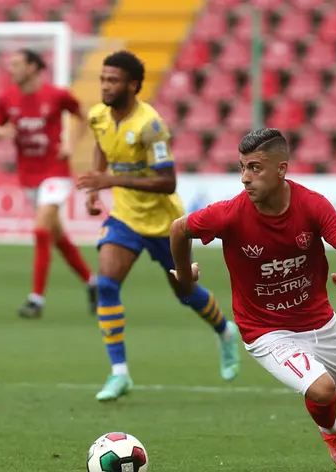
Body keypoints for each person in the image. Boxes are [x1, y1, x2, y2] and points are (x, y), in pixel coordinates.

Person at [168, 128, 336, 472]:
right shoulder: (230, 214)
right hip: (266, 330)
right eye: (242, 168)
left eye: (255, 168)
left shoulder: (311, 205)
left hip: (320, 321)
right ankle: (331, 431)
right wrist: (185, 273)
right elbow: (179, 229)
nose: (245, 179)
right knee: (324, 390)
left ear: (281, 169)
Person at [75, 51, 241, 402]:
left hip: (166, 225)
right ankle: (119, 373)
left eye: (113, 80)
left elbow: (167, 182)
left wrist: (109, 179)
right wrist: (96, 186)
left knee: (185, 293)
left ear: (133, 85)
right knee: (106, 285)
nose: (105, 85)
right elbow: (103, 148)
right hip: (124, 219)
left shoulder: (151, 126)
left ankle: (225, 331)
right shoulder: (97, 117)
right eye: (103, 79)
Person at [0, 48, 96, 319]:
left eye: (16, 63)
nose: (11, 68)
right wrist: (3, 131)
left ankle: (36, 299)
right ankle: (92, 282)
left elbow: (83, 116)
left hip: (55, 171)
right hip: (27, 175)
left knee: (40, 231)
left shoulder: (56, 95)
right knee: (57, 238)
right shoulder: (6, 98)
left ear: (32, 67)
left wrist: (71, 144)